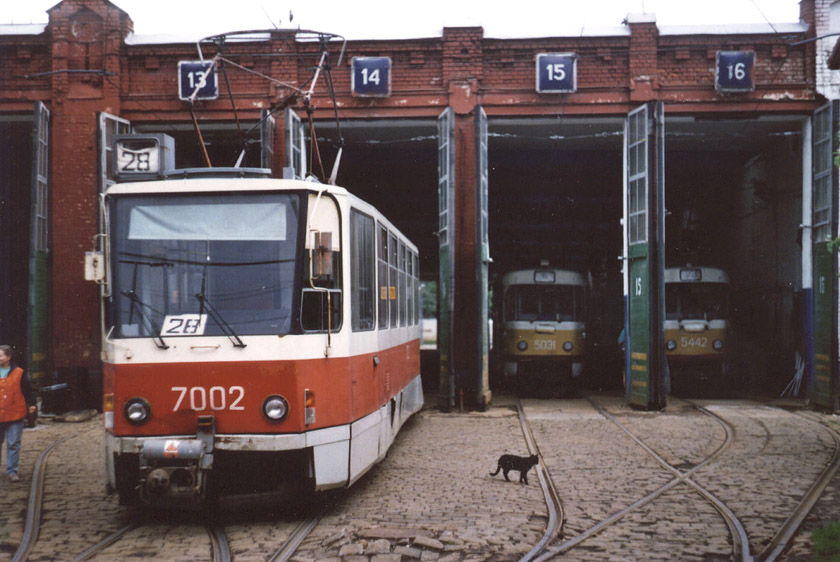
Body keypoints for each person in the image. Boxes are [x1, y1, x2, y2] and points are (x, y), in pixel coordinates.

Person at [0, 345, 37, 482]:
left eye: (1, 356)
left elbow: (28, 390)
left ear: (9, 357)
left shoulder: (19, 373)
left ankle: (12, 471)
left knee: (13, 443)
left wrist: (32, 404)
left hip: (15, 414)